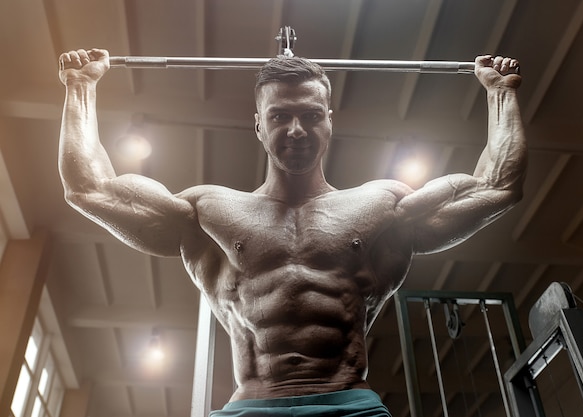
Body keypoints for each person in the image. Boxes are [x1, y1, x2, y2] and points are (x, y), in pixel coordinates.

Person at [58, 48, 525, 417]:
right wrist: (80, 87)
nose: (297, 129)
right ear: (258, 126)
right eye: (280, 116)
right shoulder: (209, 211)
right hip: (251, 403)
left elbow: (497, 186)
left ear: (329, 121)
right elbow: (91, 189)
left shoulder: (382, 207)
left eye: (311, 115)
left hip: (349, 406)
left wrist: (500, 92)